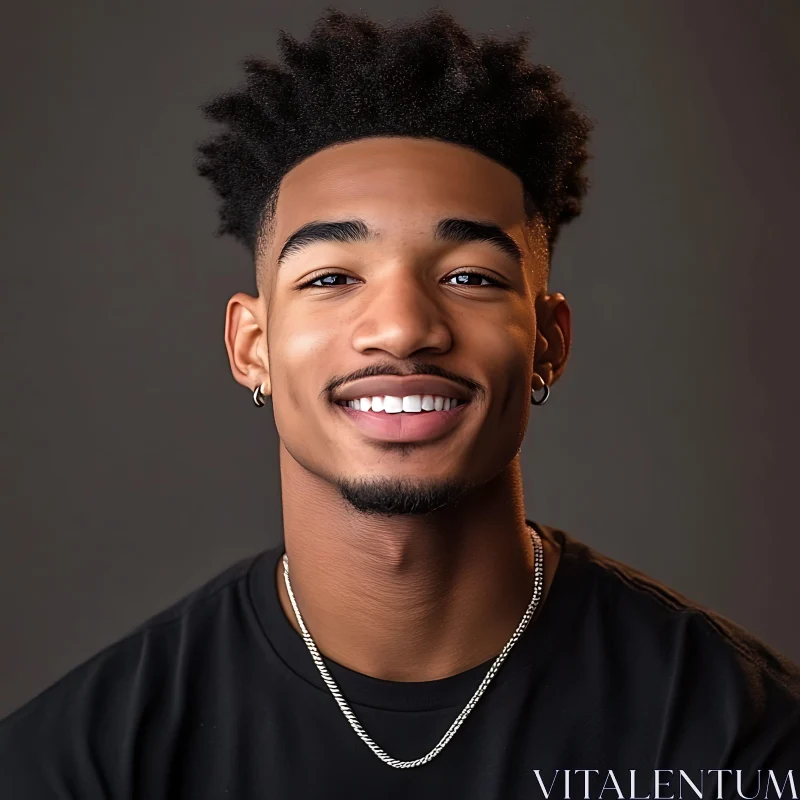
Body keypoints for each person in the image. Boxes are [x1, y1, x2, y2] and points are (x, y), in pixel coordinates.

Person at [1, 8, 798, 799]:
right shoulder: (80, 763)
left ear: (549, 339)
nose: (403, 329)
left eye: (470, 277)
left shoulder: (740, 740)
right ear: (253, 347)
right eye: (331, 278)